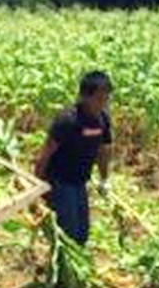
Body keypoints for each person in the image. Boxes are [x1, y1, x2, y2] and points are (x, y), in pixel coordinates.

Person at [33, 71, 113, 245]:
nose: (103, 103)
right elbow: (46, 153)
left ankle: (72, 267)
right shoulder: (68, 120)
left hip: (79, 181)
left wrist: (104, 179)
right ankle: (62, 269)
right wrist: (36, 185)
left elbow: (103, 152)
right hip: (59, 181)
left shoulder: (102, 120)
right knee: (69, 233)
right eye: (99, 99)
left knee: (82, 233)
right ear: (85, 96)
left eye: (106, 99)